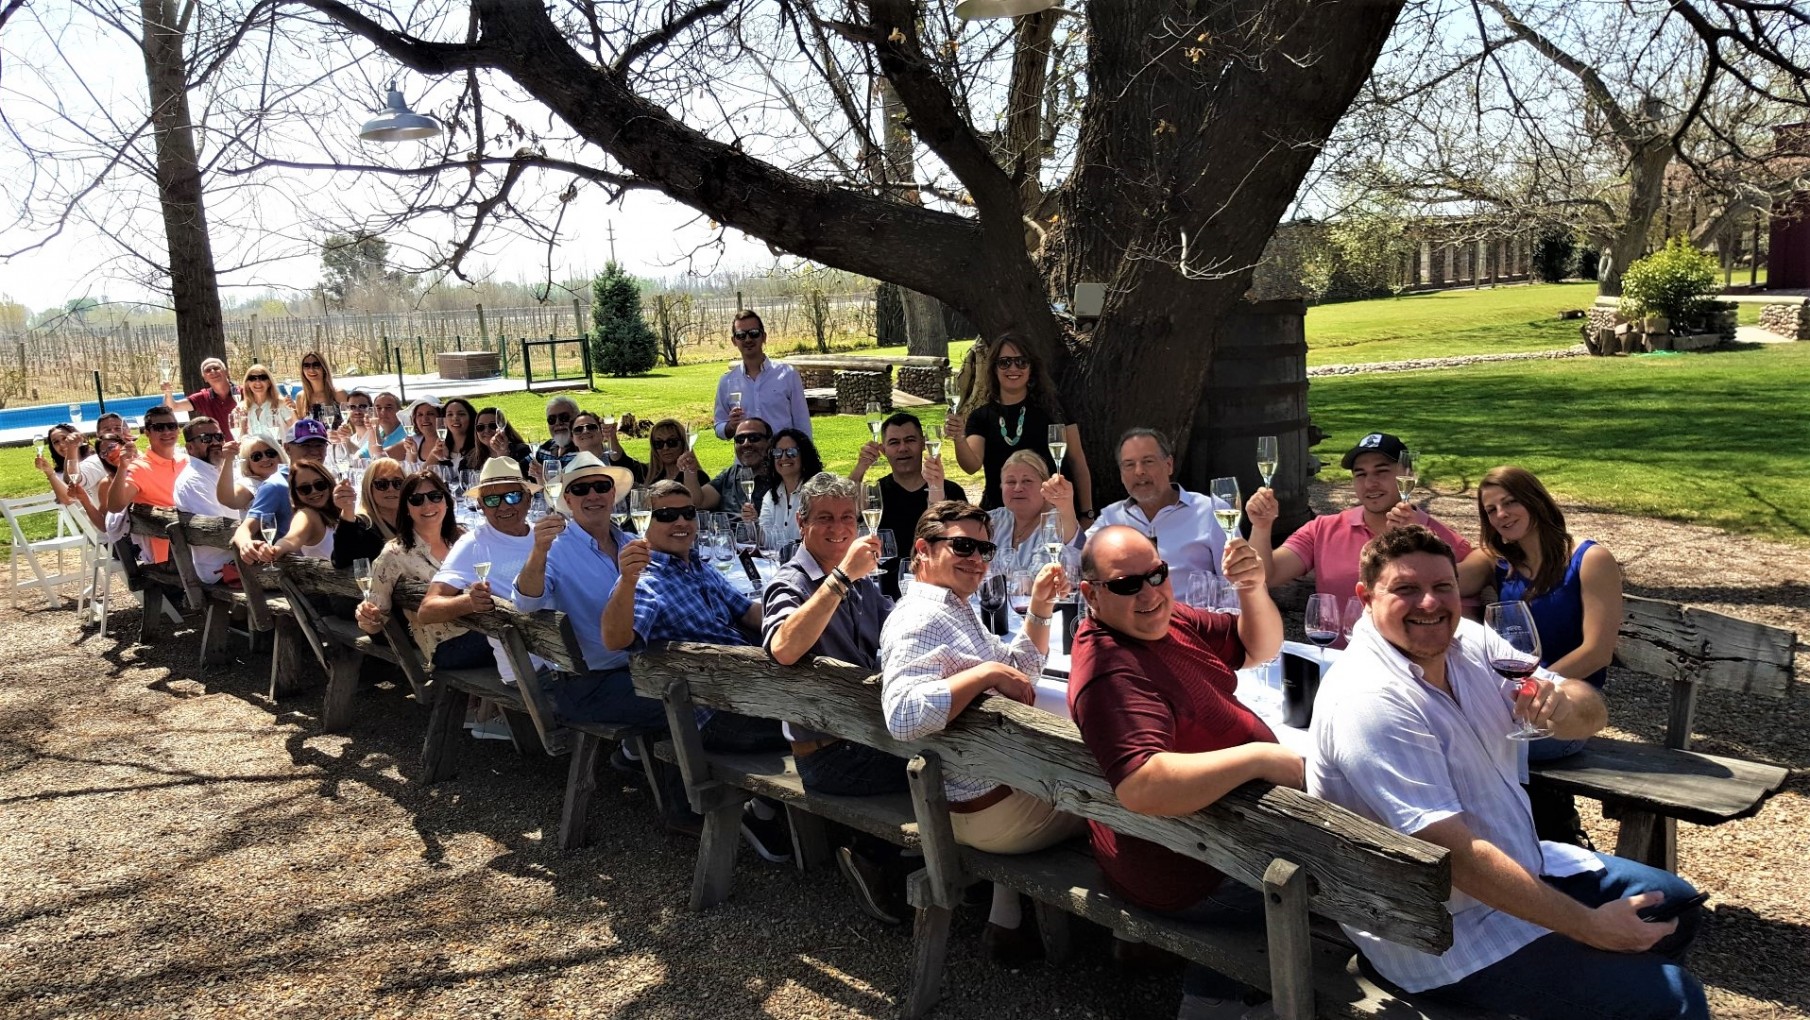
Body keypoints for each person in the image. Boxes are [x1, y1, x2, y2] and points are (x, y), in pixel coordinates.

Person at [1309, 526, 1704, 1020]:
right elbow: (1456, 856)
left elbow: (1590, 710)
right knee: (1672, 998)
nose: (1430, 603)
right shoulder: (1370, 700)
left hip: (1519, 865)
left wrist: (1564, 708)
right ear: (1367, 597)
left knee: (1677, 905)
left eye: (1443, 587)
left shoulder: (1472, 643)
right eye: (1406, 589)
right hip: (1440, 931)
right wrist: (1592, 928)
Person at [1069, 526, 1294, 1016]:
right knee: (1347, 873)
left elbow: (1259, 648)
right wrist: (1260, 758)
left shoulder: (1163, 619)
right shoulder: (1112, 671)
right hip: (1186, 874)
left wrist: (1252, 590)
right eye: (1128, 584)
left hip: (1193, 843)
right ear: (1090, 594)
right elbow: (1141, 785)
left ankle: (1214, 999)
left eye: (1157, 575)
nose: (1149, 593)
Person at [879, 499, 1084, 962]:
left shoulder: (953, 607)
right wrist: (982, 676)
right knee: (1119, 794)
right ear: (923, 550)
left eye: (985, 549)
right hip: (986, 815)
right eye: (963, 546)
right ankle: (1133, 938)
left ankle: (1004, 917)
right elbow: (903, 716)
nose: (977, 558)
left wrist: (1040, 606)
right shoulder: (922, 618)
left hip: (957, 801)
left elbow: (1021, 672)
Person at [600, 480, 790, 857]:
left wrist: (799, 619)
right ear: (643, 522)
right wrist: (625, 581)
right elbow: (616, 639)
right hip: (715, 713)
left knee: (820, 702)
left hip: (747, 691)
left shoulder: (696, 565)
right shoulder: (646, 582)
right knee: (816, 722)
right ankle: (763, 812)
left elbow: (747, 612)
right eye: (666, 515)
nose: (681, 522)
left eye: (688, 513)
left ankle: (772, 811)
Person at [762, 472, 906, 922]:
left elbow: (896, 629)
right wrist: (841, 578)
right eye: (825, 518)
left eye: (848, 517)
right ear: (801, 524)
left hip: (866, 733)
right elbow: (784, 648)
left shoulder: (860, 579)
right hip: (829, 754)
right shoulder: (793, 582)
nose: (840, 528)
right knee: (952, 761)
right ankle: (880, 855)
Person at [1477, 465, 1625, 844]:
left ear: (1535, 500)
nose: (1501, 515)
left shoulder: (1591, 559)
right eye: (1491, 510)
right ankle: (1520, 839)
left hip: (1570, 710)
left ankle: (1551, 836)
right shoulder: (1498, 563)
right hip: (1512, 702)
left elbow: (1597, 652)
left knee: (1481, 742)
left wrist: (1534, 688)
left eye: (1510, 502)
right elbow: (1437, 576)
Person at [1247, 431, 1488, 634]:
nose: (1370, 483)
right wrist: (1261, 526)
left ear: (1408, 474)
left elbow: (1482, 565)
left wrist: (1413, 545)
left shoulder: (1433, 535)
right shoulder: (1323, 528)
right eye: (1360, 474)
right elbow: (1268, 576)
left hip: (1409, 671)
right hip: (1338, 661)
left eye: (1381, 471)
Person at [512, 452, 668, 729]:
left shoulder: (632, 542)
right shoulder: (555, 548)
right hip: (590, 683)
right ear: (568, 499)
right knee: (685, 701)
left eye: (601, 487)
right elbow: (526, 604)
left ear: (613, 495)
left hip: (641, 666)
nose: (593, 495)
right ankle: (645, 758)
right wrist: (538, 551)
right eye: (581, 489)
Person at [418, 458, 547, 684]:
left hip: (565, 657)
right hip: (531, 671)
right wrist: (470, 602)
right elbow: (427, 610)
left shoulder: (544, 535)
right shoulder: (473, 544)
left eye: (513, 496)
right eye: (492, 499)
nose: (504, 506)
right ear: (481, 505)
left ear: (528, 498)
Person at [356, 470, 489, 681]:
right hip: (447, 645)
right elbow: (375, 618)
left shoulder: (462, 538)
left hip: (483, 628)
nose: (427, 505)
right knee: (518, 640)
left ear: (446, 500)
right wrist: (366, 619)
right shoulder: (393, 554)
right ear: (406, 509)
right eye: (417, 500)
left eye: (435, 496)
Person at [946, 335, 1094, 517]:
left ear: (1031, 368)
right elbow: (971, 465)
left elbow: (1077, 461)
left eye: (1021, 362)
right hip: (999, 516)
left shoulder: (1055, 410)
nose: (1013, 368)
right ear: (994, 369)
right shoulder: (981, 417)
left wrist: (1087, 512)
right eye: (1005, 362)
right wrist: (959, 437)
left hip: (1050, 515)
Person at [1085, 428, 1232, 598]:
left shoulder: (1211, 511)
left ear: (1169, 465)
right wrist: (1065, 508)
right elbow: (1077, 562)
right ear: (1121, 474)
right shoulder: (1110, 518)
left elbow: (1235, 582)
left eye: (1148, 461)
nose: (1139, 471)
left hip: (1194, 620)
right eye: (1129, 464)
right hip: (1129, 621)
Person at [851, 411, 966, 597]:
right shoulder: (875, 493)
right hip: (885, 593)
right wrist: (860, 468)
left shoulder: (951, 491)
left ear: (923, 443)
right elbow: (843, 510)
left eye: (910, 440)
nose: (902, 448)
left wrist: (936, 486)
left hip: (938, 590)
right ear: (883, 449)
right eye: (894, 442)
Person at [713, 310, 811, 439]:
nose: (748, 339)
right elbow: (719, 425)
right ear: (734, 341)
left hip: (781, 457)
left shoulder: (787, 374)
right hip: (746, 456)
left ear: (764, 337)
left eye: (754, 333)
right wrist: (730, 426)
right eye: (741, 335)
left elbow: (802, 423)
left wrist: (805, 456)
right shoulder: (727, 381)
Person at [984, 449, 1080, 575]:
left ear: (1044, 485)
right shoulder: (993, 520)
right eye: (1011, 482)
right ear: (1001, 486)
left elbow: (1072, 558)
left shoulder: (1057, 522)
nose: (1018, 488)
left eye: (1027, 481)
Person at [170, 418, 239, 584]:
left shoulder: (219, 470)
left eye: (219, 437)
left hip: (238, 558)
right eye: (206, 438)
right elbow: (220, 530)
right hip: (223, 568)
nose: (215, 443)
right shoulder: (193, 481)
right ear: (190, 448)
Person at [743, 427, 821, 550]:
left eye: (792, 452)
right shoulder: (770, 496)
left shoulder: (817, 493)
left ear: (804, 455)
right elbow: (766, 543)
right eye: (777, 452)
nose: (784, 457)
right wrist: (754, 523)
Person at [329, 456, 405, 570]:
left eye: (398, 483)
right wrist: (348, 510)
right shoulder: (365, 526)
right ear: (368, 488)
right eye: (382, 484)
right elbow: (342, 560)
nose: (391, 489)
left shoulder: (413, 519)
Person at [640, 418, 717, 507]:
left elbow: (695, 507)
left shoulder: (697, 477)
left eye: (671, 442)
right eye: (659, 443)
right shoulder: (651, 475)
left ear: (683, 443)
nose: (665, 448)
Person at [710, 417, 776, 518]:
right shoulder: (730, 475)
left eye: (754, 438)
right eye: (740, 439)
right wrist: (690, 470)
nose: (746, 444)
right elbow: (698, 501)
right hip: (729, 533)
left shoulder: (780, 477)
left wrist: (756, 523)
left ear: (770, 442)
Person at [162, 356, 238, 440]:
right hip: (222, 449)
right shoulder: (203, 397)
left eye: (216, 368)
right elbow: (173, 407)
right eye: (208, 370)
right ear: (204, 378)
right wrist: (168, 393)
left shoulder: (244, 392)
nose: (213, 371)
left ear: (226, 372)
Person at [213, 433, 287, 515]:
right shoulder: (250, 484)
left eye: (270, 453)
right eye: (256, 456)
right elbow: (227, 499)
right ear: (248, 463)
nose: (265, 459)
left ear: (279, 455)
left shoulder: (291, 477)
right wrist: (228, 460)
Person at [235, 363, 294, 440]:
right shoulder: (241, 408)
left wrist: (294, 410)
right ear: (247, 384)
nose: (258, 382)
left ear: (269, 383)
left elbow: (295, 430)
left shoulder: (281, 404)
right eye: (252, 378)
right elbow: (240, 438)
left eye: (262, 378)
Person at [471, 405, 532, 474]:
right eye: (480, 427)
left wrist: (503, 454)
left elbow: (526, 481)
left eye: (493, 425)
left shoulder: (522, 452)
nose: (487, 431)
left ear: (504, 427)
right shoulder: (470, 460)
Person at [533, 395, 581, 476]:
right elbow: (520, 470)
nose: (558, 423)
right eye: (552, 419)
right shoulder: (545, 449)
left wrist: (545, 475)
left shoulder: (583, 449)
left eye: (564, 417)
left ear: (577, 418)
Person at [295, 350, 349, 421]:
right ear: (302, 371)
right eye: (306, 365)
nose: (311, 369)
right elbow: (300, 427)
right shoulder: (301, 397)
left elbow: (352, 424)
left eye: (316, 365)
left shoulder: (339, 394)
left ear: (323, 368)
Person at [439, 397, 481, 473]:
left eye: (461, 414)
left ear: (471, 417)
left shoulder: (479, 446)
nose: (455, 418)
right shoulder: (441, 446)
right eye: (450, 414)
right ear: (444, 420)